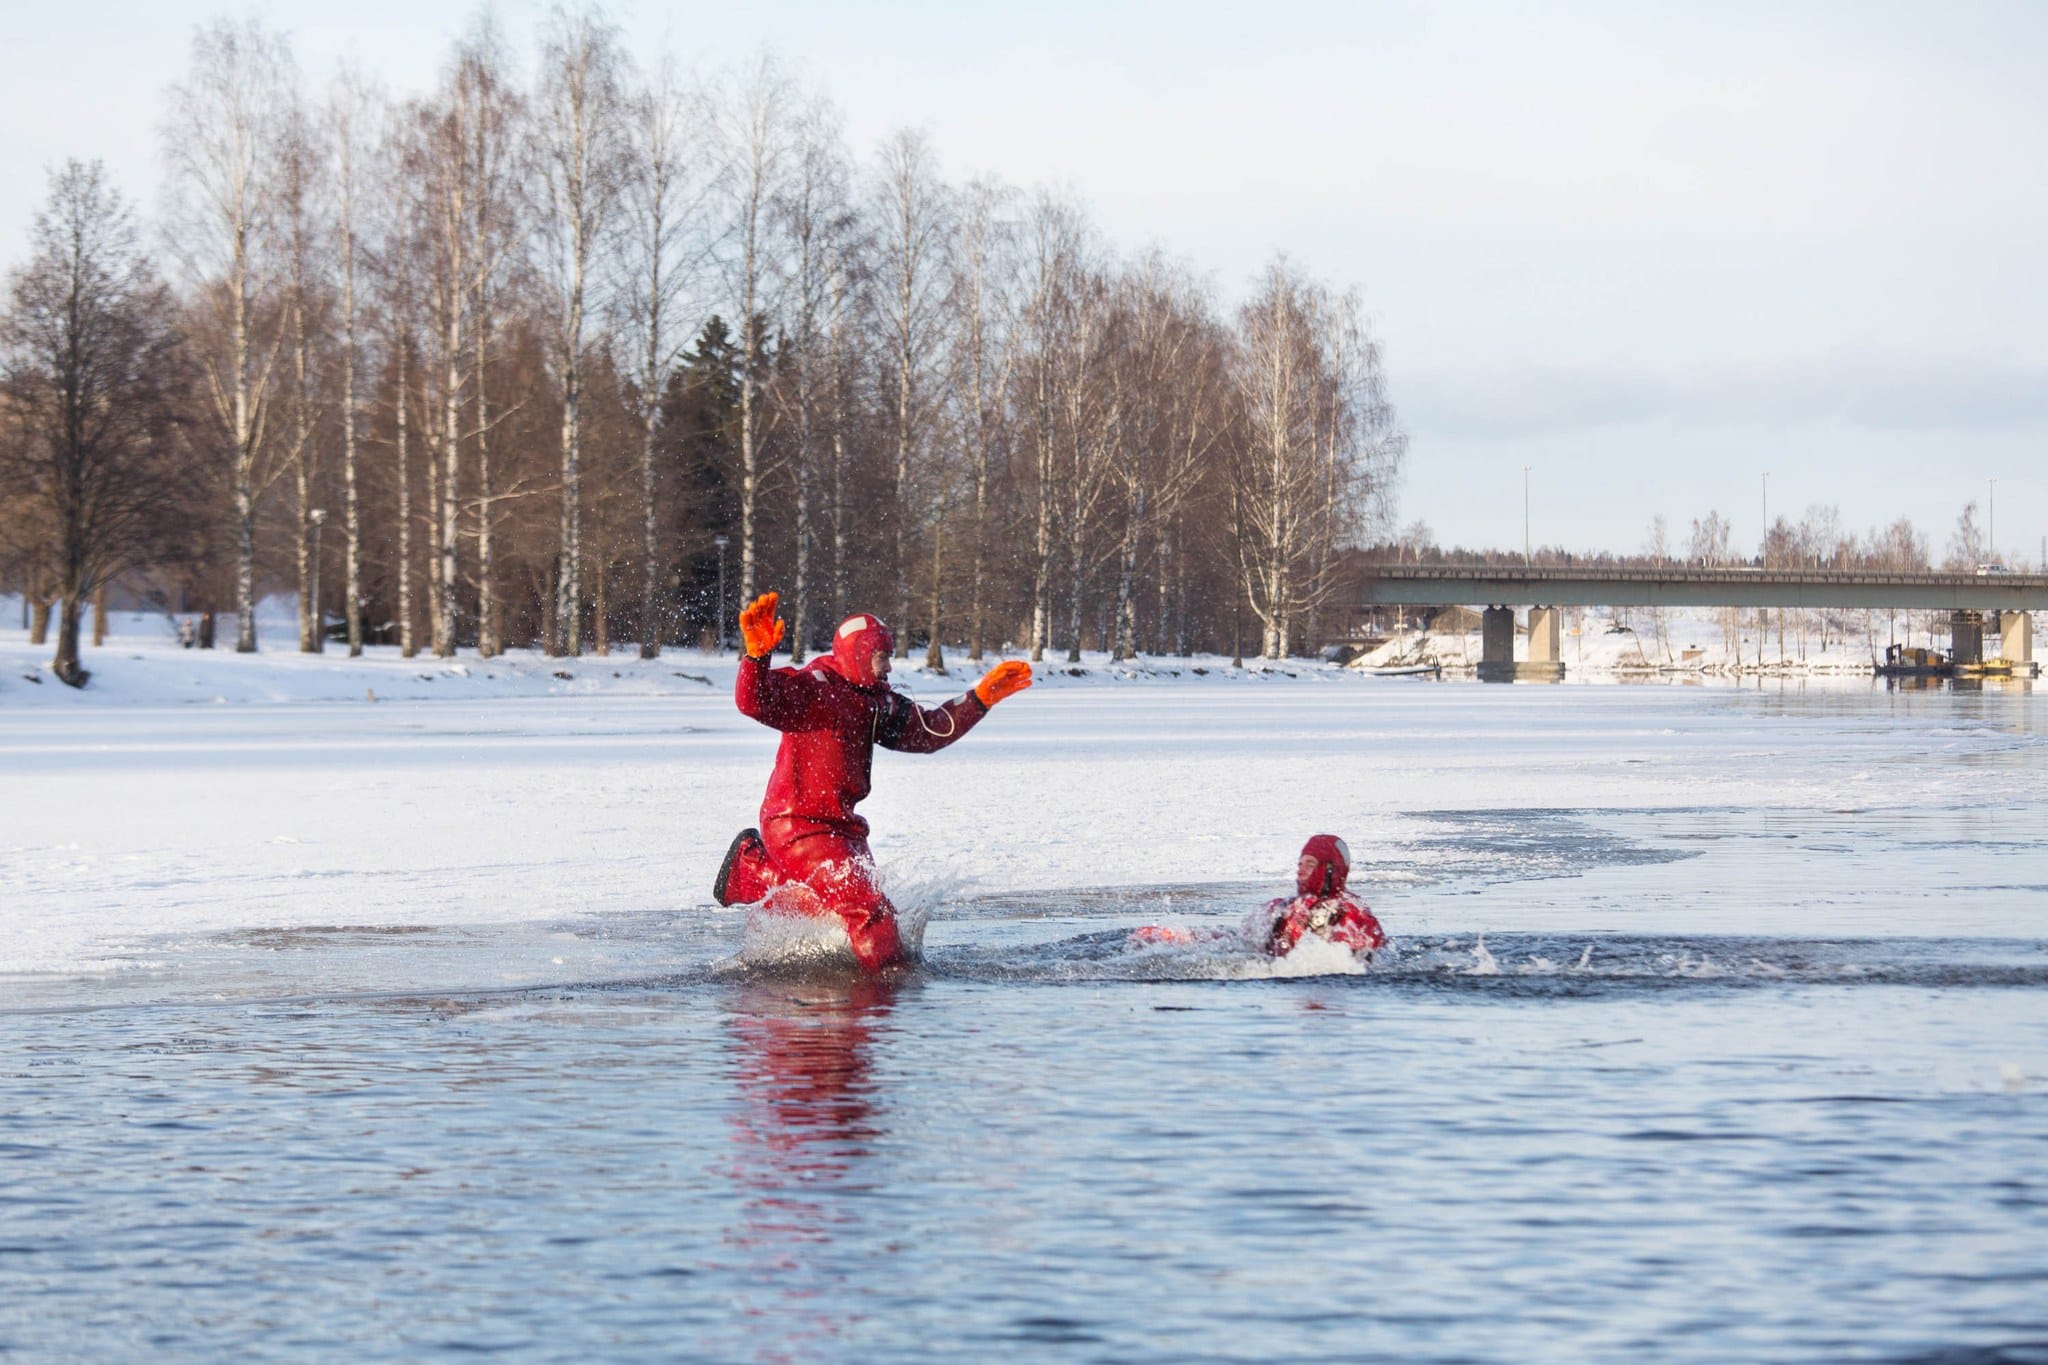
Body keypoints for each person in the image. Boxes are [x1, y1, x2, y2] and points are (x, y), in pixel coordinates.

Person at [714, 590, 1033, 971]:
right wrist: (756, 657)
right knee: (871, 914)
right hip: (799, 826)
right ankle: (885, 991)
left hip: (843, 828)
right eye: (883, 658)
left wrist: (980, 698)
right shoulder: (814, 687)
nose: (890, 668)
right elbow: (755, 701)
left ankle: (752, 872)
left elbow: (929, 732)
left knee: (844, 911)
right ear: (859, 655)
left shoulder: (877, 702)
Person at [1131, 834, 1388, 959]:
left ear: (1329, 870)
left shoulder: (1353, 912)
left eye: (1310, 864)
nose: (1300, 870)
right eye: (1300, 862)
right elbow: (1241, 940)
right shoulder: (1284, 906)